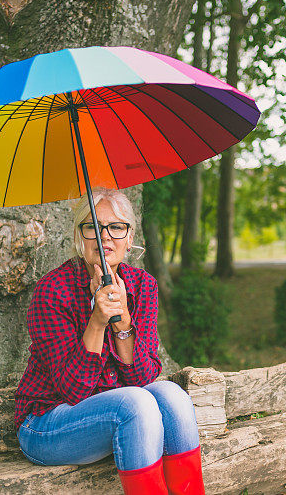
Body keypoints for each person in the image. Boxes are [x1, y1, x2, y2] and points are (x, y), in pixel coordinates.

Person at [14, 188, 205, 494]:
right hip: (48, 424)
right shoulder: (52, 290)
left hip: (118, 410)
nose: (104, 238)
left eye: (116, 227)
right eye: (92, 227)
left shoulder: (143, 284)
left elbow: (143, 377)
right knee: (136, 402)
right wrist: (98, 320)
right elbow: (72, 390)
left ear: (130, 238)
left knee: (173, 397)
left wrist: (124, 320)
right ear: (79, 237)